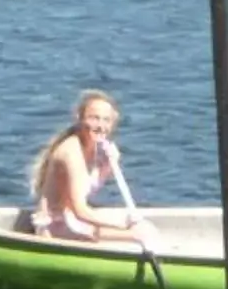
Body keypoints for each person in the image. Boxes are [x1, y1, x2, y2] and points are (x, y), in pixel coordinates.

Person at [24, 91, 157, 245]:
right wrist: (125, 229)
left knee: (146, 229)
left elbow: (88, 189)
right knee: (140, 235)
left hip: (72, 220)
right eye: (94, 118)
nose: (101, 126)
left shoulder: (94, 148)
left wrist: (107, 165)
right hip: (54, 229)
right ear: (79, 119)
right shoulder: (71, 152)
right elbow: (80, 211)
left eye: (106, 120)